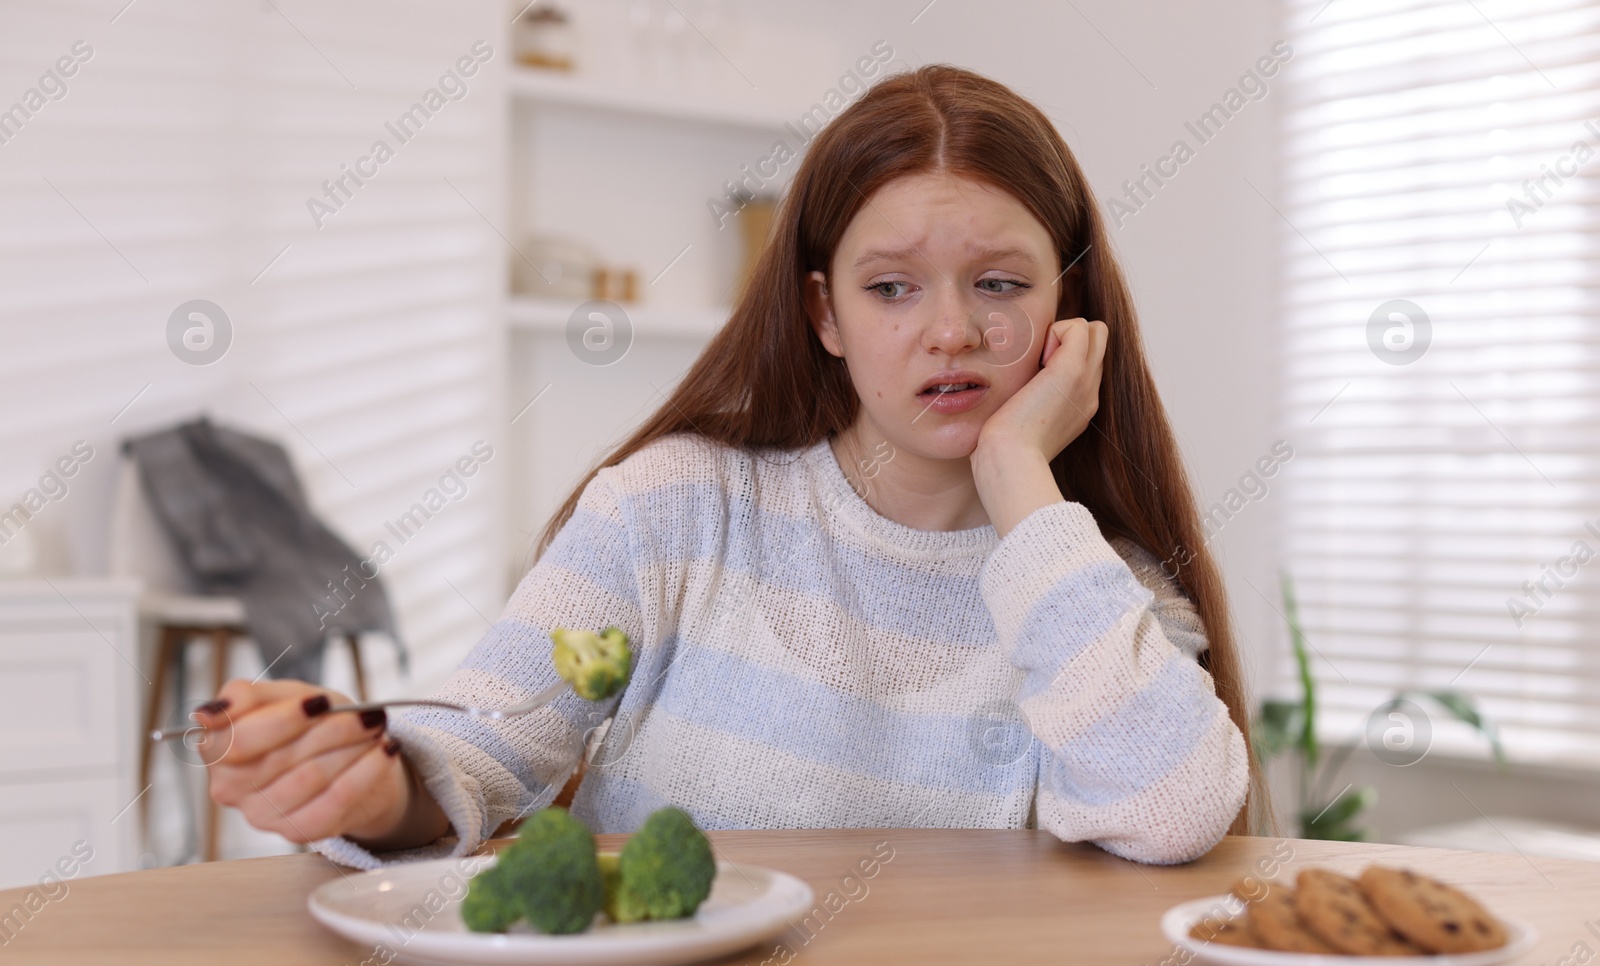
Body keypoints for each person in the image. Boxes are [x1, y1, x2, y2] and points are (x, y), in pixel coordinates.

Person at [198, 64, 1259, 869]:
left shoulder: (1087, 587)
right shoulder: (672, 509)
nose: (951, 332)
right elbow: (482, 741)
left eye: (998, 283)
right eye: (891, 287)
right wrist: (368, 787)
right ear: (821, 311)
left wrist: (1021, 474)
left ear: (1065, 313)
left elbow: (1171, 810)